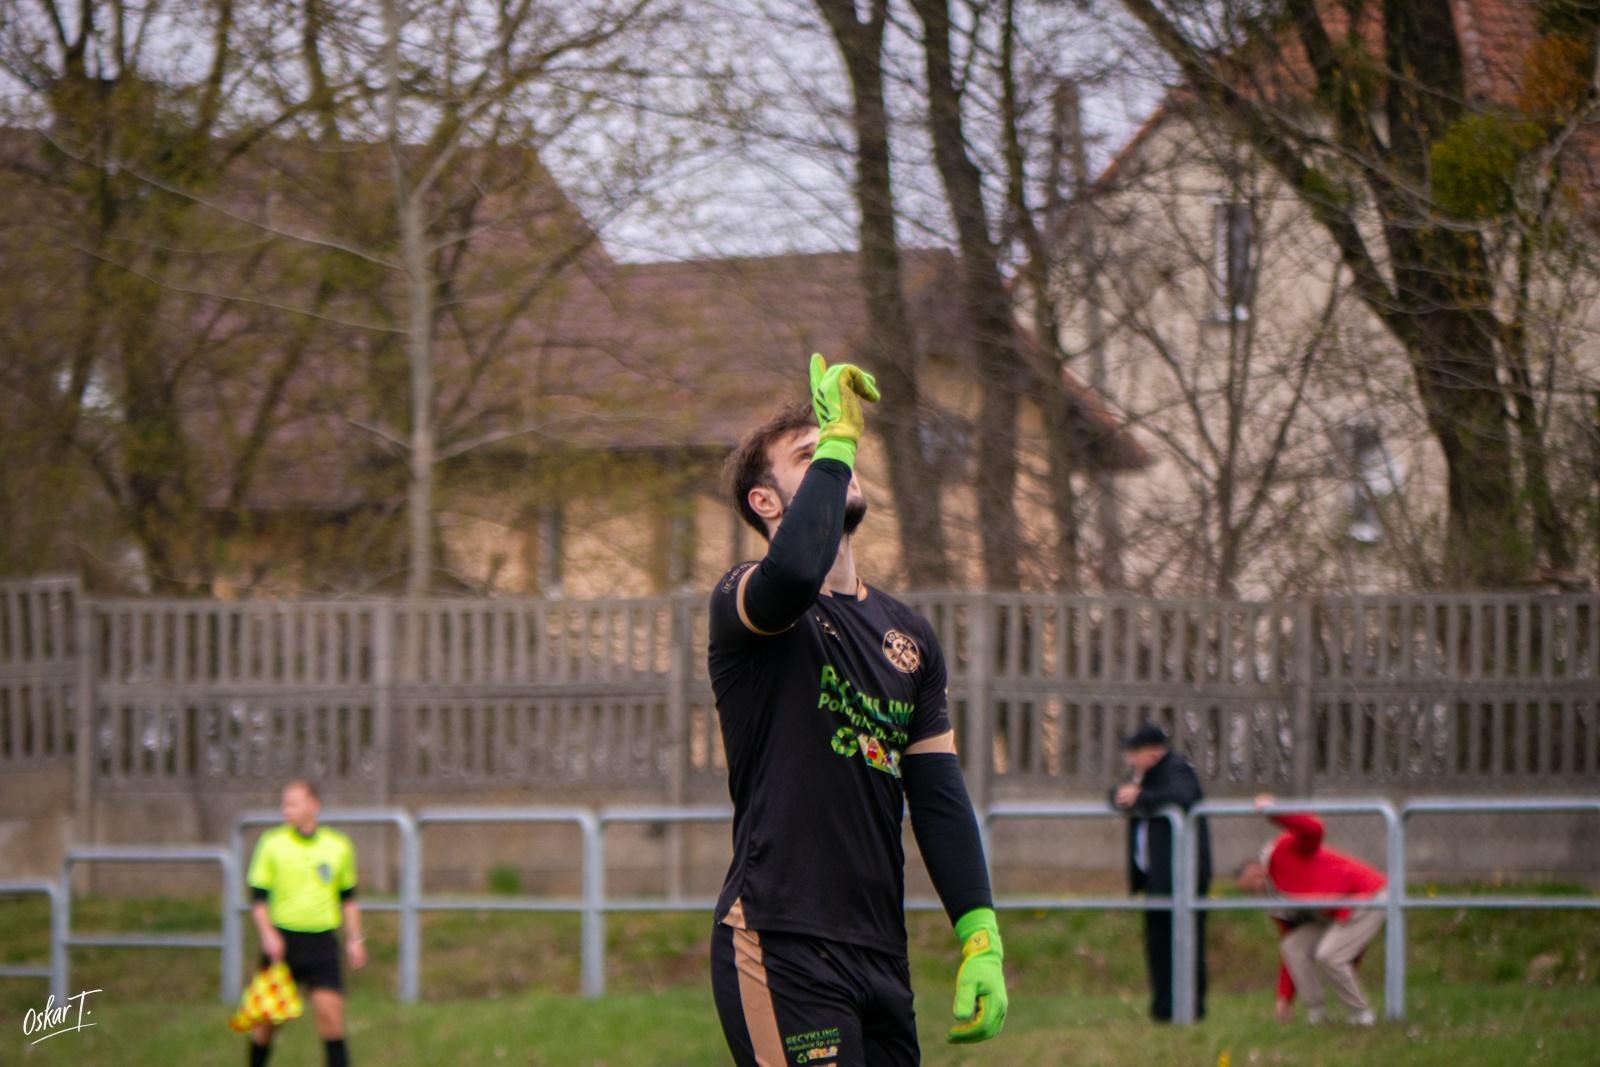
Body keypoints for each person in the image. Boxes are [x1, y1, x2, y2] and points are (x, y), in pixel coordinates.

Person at [707, 355, 1006, 1066]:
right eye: (809, 455)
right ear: (765, 502)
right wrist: (838, 441)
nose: (838, 457)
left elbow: (938, 796)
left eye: (839, 444)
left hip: (879, 953)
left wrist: (980, 934)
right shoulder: (746, 600)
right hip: (780, 940)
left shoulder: (909, 635)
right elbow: (793, 573)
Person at [1235, 793, 1386, 1026]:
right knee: (1293, 946)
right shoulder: (1274, 901)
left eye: (1254, 881)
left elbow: (1314, 828)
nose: (1256, 889)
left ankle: (1362, 1017)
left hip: (1365, 895)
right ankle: (1317, 1014)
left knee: (1329, 955)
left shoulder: (1281, 852)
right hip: (1336, 913)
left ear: (1257, 869)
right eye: (1250, 890)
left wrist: (1275, 811)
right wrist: (1284, 998)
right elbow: (1291, 947)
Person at [245, 779, 365, 1066]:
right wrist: (268, 935)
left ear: (314, 805)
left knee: (331, 1019)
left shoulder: (337, 846)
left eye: (293, 804)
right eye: (284, 804)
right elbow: (258, 901)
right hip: (283, 944)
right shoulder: (272, 843)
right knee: (267, 1024)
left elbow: (348, 900)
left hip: (322, 944)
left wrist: (355, 939)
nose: (286, 809)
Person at [1109, 722, 1211, 1021]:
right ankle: (1163, 1008)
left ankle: (1191, 1009)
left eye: (1135, 752)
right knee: (1158, 944)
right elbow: (1117, 792)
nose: (1130, 759)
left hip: (1183, 876)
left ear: (1154, 751)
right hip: (1156, 878)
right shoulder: (1142, 776)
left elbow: (1183, 795)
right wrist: (1121, 795)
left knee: (1186, 942)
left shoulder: (1177, 769)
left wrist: (1140, 796)